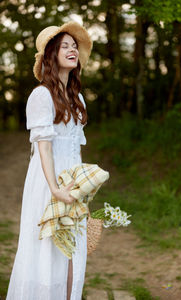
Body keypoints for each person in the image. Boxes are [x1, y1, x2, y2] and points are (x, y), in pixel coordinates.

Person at [6, 21, 93, 300]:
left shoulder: (77, 97)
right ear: (51, 55)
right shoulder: (41, 95)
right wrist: (55, 189)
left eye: (74, 46)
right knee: (49, 252)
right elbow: (43, 148)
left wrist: (83, 191)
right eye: (64, 46)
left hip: (73, 183)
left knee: (73, 254)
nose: (72, 50)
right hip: (48, 183)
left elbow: (75, 151)